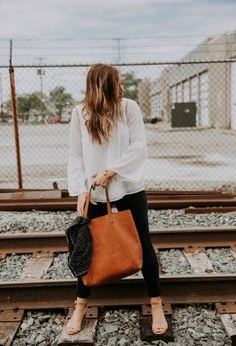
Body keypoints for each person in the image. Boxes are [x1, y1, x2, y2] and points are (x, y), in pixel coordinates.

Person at [66, 63, 168, 335]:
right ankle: (79, 306)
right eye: (118, 82)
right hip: (95, 192)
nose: (122, 87)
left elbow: (139, 146)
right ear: (104, 86)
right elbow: (75, 155)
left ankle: (156, 302)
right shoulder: (80, 113)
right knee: (87, 248)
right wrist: (81, 190)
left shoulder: (128, 108)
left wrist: (112, 171)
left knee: (143, 243)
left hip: (130, 187)